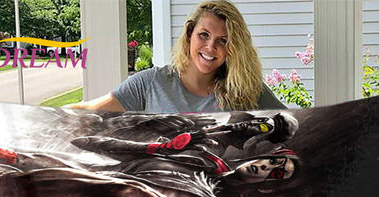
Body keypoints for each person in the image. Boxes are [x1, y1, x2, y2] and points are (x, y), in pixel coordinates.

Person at [71, 1, 285, 113]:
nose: (211, 47)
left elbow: (296, 125)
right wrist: (49, 117)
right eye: (204, 35)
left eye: (223, 41)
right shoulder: (151, 83)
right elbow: (91, 111)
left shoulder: (246, 89)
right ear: (190, 34)